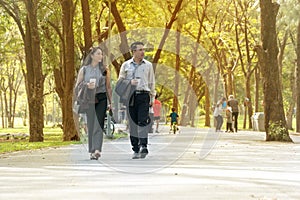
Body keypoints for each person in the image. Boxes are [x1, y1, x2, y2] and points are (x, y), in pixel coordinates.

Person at [117, 41, 155, 159]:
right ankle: (135, 148)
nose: (143, 52)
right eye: (140, 50)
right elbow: (119, 82)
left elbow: (152, 81)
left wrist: (152, 96)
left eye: (143, 49)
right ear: (134, 51)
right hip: (131, 97)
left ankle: (143, 145)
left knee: (143, 121)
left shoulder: (148, 65)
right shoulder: (126, 65)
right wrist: (130, 82)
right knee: (133, 123)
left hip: (144, 95)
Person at [75, 46, 112, 160]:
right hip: (89, 99)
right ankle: (91, 150)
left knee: (98, 123)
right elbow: (77, 86)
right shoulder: (84, 69)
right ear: (92, 56)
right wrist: (87, 85)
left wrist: (111, 103)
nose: (101, 56)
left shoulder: (105, 70)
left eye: (101, 54)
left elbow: (108, 87)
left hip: (101, 98)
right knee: (91, 124)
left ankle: (97, 149)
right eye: (98, 54)